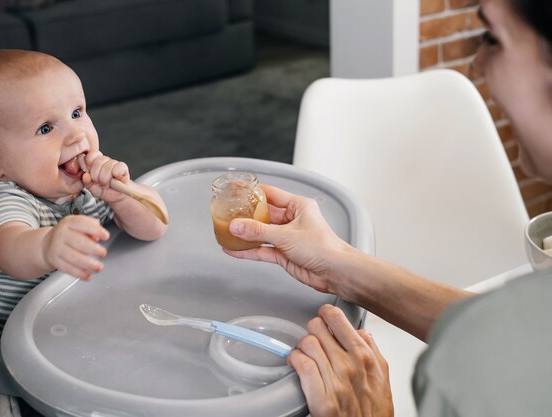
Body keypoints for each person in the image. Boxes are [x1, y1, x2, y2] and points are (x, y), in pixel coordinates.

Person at [224, 0, 552, 415]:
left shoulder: (465, 381)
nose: (477, 63)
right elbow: (524, 333)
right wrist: (339, 264)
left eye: (492, 38)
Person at [0, 49, 168, 417]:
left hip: (54, 324)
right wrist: (48, 245)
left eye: (77, 112)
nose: (77, 133)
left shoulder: (88, 182)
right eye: (46, 128)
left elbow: (155, 226)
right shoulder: (6, 199)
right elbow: (9, 250)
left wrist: (125, 196)